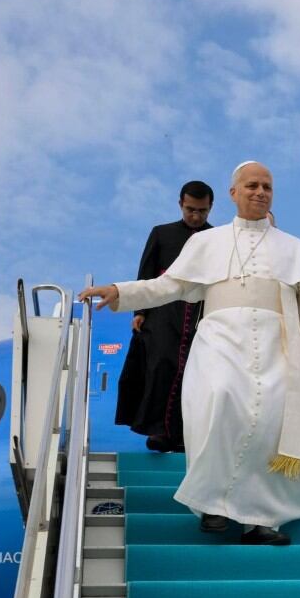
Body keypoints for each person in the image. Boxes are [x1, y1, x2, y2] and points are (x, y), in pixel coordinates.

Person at [81, 161, 300, 546]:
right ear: (233, 192)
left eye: (266, 186)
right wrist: (121, 292)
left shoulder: (295, 248)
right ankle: (214, 505)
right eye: (251, 185)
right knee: (219, 402)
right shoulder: (205, 243)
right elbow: (169, 286)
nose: (260, 192)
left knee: (269, 423)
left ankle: (261, 519)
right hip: (221, 340)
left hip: (279, 344)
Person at [115, 181, 214, 452]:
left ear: (210, 208)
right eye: (191, 210)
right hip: (162, 310)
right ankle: (160, 432)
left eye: (202, 211)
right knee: (160, 367)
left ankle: (185, 436)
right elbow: (146, 273)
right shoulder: (161, 233)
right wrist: (139, 311)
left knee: (194, 372)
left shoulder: (217, 238)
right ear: (180, 204)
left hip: (200, 312)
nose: (195, 216)